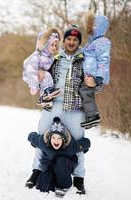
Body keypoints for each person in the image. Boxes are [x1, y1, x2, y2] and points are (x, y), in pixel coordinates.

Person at [25, 25, 87, 195]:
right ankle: (36, 172)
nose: (71, 42)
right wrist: (39, 73)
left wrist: (94, 83)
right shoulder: (55, 58)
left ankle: (79, 178)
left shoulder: (85, 59)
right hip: (53, 104)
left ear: (78, 42)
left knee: (78, 141)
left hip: (75, 107)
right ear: (64, 41)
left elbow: (94, 84)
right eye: (68, 39)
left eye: (75, 39)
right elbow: (40, 68)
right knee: (41, 134)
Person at [27, 117, 90, 198]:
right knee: (43, 186)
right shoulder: (43, 142)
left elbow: (86, 142)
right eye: (53, 138)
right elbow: (32, 136)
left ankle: (64, 185)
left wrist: (83, 147)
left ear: (63, 139)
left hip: (65, 166)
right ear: (49, 138)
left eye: (59, 138)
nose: (56, 141)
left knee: (60, 161)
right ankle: (52, 182)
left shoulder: (70, 146)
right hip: (50, 166)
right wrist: (33, 142)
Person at [79, 13, 112, 129]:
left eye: (92, 27)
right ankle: (89, 117)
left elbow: (104, 60)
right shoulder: (92, 42)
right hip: (89, 75)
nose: (90, 30)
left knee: (85, 92)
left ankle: (92, 116)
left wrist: (99, 78)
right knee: (84, 93)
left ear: (99, 26)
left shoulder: (102, 42)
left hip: (94, 76)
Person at [22, 28, 62, 110]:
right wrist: (34, 85)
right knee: (47, 75)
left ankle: (46, 96)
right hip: (31, 76)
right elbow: (30, 70)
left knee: (47, 76)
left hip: (41, 77)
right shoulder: (37, 56)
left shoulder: (50, 57)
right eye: (52, 45)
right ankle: (46, 92)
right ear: (45, 44)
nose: (54, 47)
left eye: (55, 45)